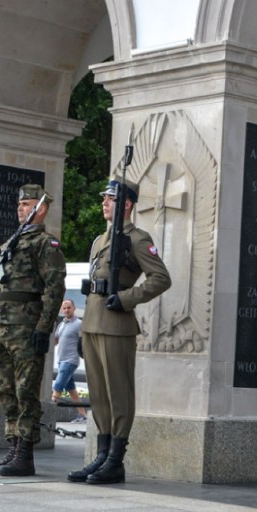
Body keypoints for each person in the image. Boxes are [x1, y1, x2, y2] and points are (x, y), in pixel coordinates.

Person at [67, 179, 171, 485]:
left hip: (116, 324)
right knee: (98, 394)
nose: (104, 203)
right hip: (93, 324)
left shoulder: (137, 239)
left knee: (118, 392)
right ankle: (102, 454)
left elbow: (160, 278)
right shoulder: (101, 239)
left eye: (110, 199)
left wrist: (127, 298)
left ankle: (115, 459)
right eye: (104, 198)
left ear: (126, 204)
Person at [0, 184, 66, 477]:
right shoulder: (12, 242)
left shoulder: (45, 244)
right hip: (3, 326)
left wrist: (44, 327)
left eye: (27, 204)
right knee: (6, 390)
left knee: (25, 390)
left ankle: (25, 454)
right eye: (19, 205)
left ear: (40, 208)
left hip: (26, 327)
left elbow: (55, 288)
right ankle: (12, 448)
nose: (21, 209)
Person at [52, 299, 87, 423]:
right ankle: (83, 414)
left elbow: (85, 341)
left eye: (69, 308)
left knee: (58, 386)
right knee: (72, 390)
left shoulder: (79, 324)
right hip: (61, 360)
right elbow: (55, 340)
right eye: (64, 308)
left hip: (71, 360)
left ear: (74, 308)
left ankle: (46, 413)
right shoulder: (62, 324)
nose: (66, 310)